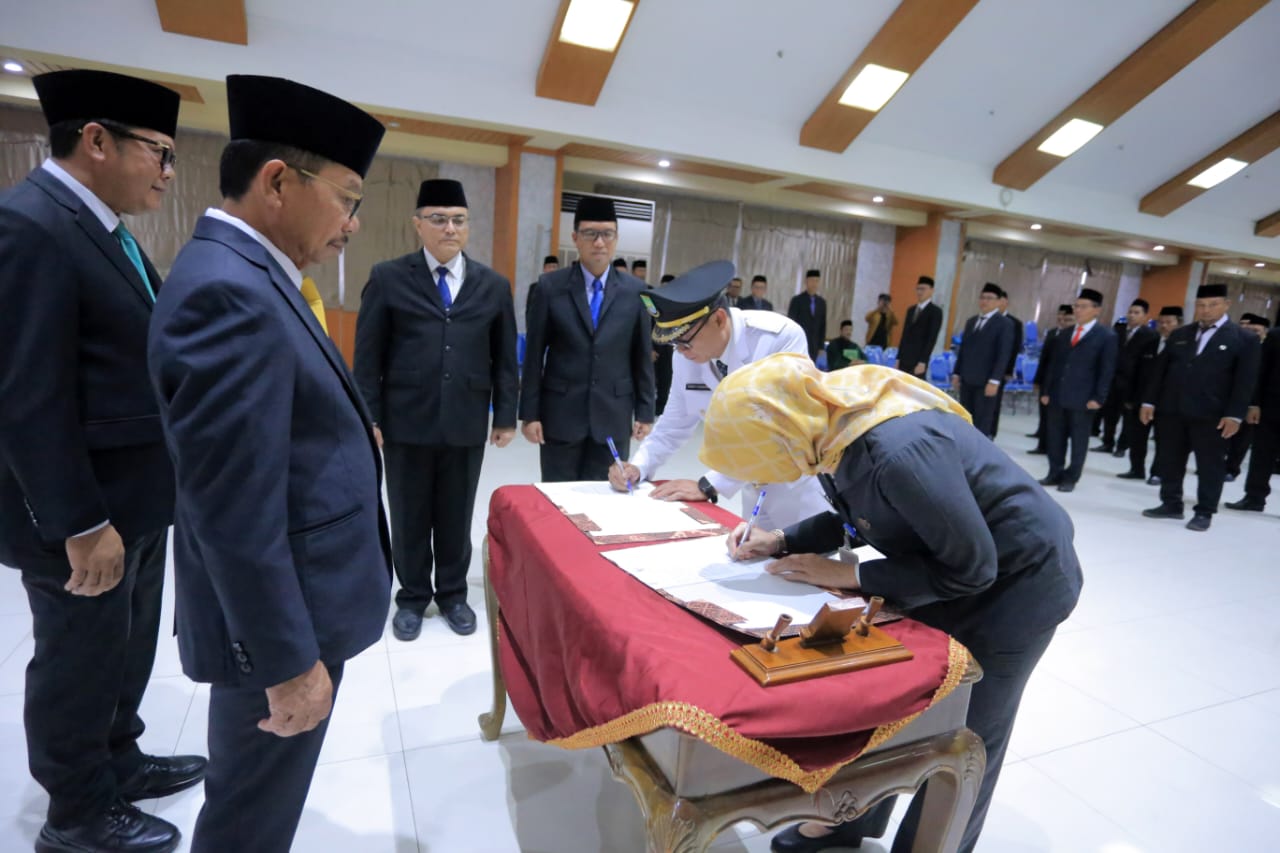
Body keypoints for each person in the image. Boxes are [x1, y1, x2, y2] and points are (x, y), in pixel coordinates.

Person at [147, 74, 393, 852]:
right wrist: (287, 662)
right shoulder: (228, 293)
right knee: (250, 816)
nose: (353, 223)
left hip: (298, 605)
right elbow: (230, 508)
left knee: (264, 801)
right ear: (278, 181)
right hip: (280, 629)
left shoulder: (255, 275)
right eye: (347, 197)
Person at [701, 353, 1082, 853]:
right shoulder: (831, 431)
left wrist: (847, 574)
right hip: (941, 564)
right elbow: (857, 515)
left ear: (786, 422)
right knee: (892, 701)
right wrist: (782, 541)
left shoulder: (898, 451)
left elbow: (973, 568)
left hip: (1018, 585)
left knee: (968, 731)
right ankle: (849, 818)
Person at [0, 68, 201, 853]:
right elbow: (26, 393)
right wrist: (81, 521)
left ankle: (120, 756)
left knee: (124, 647)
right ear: (95, 141)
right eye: (158, 151)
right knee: (78, 660)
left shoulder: (103, 227)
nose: (167, 171)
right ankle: (77, 812)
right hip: (82, 513)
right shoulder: (31, 226)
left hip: (135, 500)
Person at [353, 179, 518, 641]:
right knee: (407, 513)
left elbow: (504, 356)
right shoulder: (388, 277)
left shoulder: (492, 284)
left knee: (456, 512)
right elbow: (368, 356)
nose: (450, 228)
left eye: (459, 220)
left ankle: (452, 594)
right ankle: (411, 597)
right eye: (439, 219)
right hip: (405, 420)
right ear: (418, 224)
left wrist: (505, 415)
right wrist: (370, 417)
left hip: (465, 420)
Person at [607, 260, 829, 529]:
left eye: (685, 340)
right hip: (753, 490)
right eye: (674, 343)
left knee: (807, 563)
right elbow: (674, 423)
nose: (680, 351)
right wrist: (638, 466)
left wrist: (709, 484)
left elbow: (776, 429)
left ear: (719, 319)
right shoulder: (688, 356)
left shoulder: (777, 339)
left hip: (799, 490)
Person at [520, 195, 655, 480]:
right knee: (559, 501)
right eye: (590, 234)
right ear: (575, 237)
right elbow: (533, 356)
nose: (599, 242)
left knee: (604, 502)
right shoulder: (549, 287)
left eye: (607, 234)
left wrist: (645, 411)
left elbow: (641, 354)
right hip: (560, 415)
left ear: (616, 238)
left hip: (614, 414)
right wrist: (530, 414)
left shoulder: (636, 291)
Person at [1140, 283, 1260, 531]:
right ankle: (1171, 504)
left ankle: (1204, 511)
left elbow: (1245, 381)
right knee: (1170, 460)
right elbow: (1160, 372)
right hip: (1173, 410)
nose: (1206, 310)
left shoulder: (1244, 339)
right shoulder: (1180, 334)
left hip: (1213, 415)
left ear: (1227, 305)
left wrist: (1234, 415)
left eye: (1213, 304)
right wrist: (1149, 401)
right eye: (1201, 305)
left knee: (1210, 466)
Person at [1037, 289, 1117, 493]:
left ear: (1096, 310)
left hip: (1084, 399)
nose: (1078, 310)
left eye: (1083, 306)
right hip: (1057, 395)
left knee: (1078, 440)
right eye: (1076, 306)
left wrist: (1099, 397)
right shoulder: (1064, 334)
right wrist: (1046, 391)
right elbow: (1053, 366)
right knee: (1055, 436)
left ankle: (1071, 477)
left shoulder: (1106, 336)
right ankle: (1054, 472)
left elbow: (1106, 370)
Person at [1226, 310, 1280, 512]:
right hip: (1271, 407)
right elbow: (1260, 371)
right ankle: (1254, 497)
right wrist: (1254, 403)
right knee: (1262, 455)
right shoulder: (1275, 336)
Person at [951, 283, 1014, 438]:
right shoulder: (972, 321)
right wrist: (957, 373)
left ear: (999, 301)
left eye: (990, 298)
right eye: (983, 297)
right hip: (967, 378)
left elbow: (1003, 354)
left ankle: (980, 456)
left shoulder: (1004, 324)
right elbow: (963, 350)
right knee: (966, 416)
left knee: (982, 420)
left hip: (986, 381)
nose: (985, 301)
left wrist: (994, 380)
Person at [1112, 300, 1160, 478]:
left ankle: (1124, 447)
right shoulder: (1118, 330)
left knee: (1132, 425)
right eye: (1130, 312)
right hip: (1117, 381)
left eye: (1137, 312)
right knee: (1112, 415)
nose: (1132, 315)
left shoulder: (1151, 336)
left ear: (1145, 316)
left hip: (1138, 387)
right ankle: (1113, 445)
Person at [1224, 313, 1269, 482]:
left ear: (1265, 331)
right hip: (1233, 397)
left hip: (1254, 401)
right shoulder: (1240, 345)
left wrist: (1256, 403)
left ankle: (1231, 469)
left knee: (1243, 438)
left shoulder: (1268, 349)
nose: (1252, 333)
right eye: (1248, 329)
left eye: (1256, 331)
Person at [1144, 305, 1184, 485]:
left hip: (1171, 401)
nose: (1164, 326)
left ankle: (1158, 472)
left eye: (1169, 322)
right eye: (1161, 322)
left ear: (1179, 323)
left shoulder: (1184, 344)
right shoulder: (1151, 341)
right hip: (1149, 398)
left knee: (1165, 440)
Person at [1027, 304, 1073, 455]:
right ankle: (1042, 444)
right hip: (1047, 379)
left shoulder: (1071, 337)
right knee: (1044, 413)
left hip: (1062, 383)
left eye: (1065, 317)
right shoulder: (1053, 333)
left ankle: (1053, 447)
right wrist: (1038, 380)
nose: (1061, 319)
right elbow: (1044, 359)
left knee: (1056, 419)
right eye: (1060, 315)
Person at [895, 275, 942, 377]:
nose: (920, 292)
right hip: (904, 359)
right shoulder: (911, 310)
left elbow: (931, 339)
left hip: (918, 361)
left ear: (931, 290)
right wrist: (898, 358)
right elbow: (904, 335)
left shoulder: (935, 312)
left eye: (923, 289)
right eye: (918, 289)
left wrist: (923, 361)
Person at [991, 288, 1022, 438]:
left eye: (1001, 301)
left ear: (1005, 302)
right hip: (984, 368)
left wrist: (1008, 370)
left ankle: (991, 431)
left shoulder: (1014, 323)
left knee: (994, 403)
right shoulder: (988, 320)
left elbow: (1013, 349)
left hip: (1001, 370)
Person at [787, 269, 828, 359]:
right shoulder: (797, 300)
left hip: (814, 344)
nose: (814, 283)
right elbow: (791, 322)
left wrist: (821, 346)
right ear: (806, 281)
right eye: (812, 280)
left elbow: (822, 325)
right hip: (799, 342)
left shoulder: (821, 302)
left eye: (817, 281)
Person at [526, 254, 559, 321]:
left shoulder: (562, 288)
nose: (552, 269)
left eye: (554, 267)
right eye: (549, 267)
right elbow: (529, 311)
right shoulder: (534, 287)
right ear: (544, 269)